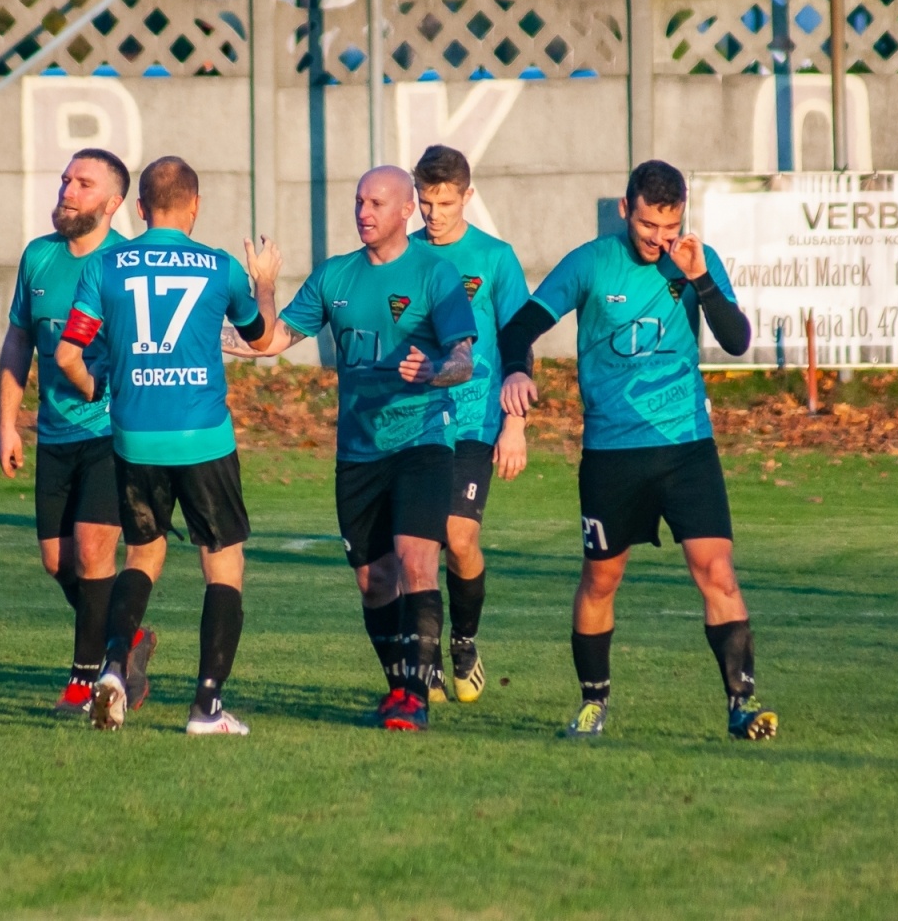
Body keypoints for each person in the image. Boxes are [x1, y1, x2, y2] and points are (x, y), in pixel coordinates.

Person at [497, 159, 777, 741]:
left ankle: (741, 704)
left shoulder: (696, 260)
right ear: (626, 210)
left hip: (686, 448)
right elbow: (517, 329)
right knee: (601, 581)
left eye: (669, 227)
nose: (659, 239)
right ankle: (593, 703)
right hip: (612, 454)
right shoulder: (590, 263)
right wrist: (518, 376)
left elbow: (738, 339)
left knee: (717, 571)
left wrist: (698, 276)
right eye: (649, 226)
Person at [228, 165, 477, 732]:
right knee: (373, 581)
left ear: (405, 210)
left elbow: (463, 359)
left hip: (422, 439)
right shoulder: (334, 277)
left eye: (376, 203)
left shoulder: (436, 274)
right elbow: (268, 341)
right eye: (359, 201)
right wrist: (262, 287)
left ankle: (416, 696)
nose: (363, 213)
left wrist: (435, 369)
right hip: (358, 452)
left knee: (417, 561)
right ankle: (399, 686)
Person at [55, 155, 281, 735]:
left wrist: (100, 388)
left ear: (138, 208)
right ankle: (206, 707)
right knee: (223, 565)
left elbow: (67, 355)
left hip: (134, 436)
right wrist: (265, 284)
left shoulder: (105, 267)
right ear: (195, 205)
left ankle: (111, 670)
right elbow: (260, 340)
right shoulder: (221, 268)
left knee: (143, 556)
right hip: (203, 436)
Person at [0, 148, 154, 718]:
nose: (67, 190)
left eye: (83, 184)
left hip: (114, 434)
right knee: (57, 561)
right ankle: (126, 638)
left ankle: (84, 681)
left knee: (93, 552)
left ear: (113, 203)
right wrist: (7, 424)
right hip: (55, 435)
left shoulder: (130, 265)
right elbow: (18, 341)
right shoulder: (39, 257)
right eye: (65, 179)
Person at [409, 145, 530, 703]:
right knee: (417, 547)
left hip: (476, 421)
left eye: (445, 202)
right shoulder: (403, 255)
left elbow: (517, 346)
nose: (433, 213)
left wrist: (515, 427)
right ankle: (425, 657)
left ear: (468, 196)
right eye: (426, 201)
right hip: (416, 423)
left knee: (459, 537)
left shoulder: (496, 258)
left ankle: (464, 639)